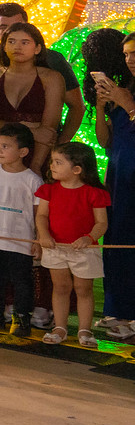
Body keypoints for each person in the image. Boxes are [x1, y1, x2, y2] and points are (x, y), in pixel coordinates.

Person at [84, 28, 135, 340]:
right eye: (127, 54)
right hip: (118, 175)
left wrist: (127, 104)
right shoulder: (123, 87)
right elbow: (105, 143)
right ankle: (117, 310)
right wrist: (103, 105)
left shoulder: (126, 93)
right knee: (115, 242)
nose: (130, 60)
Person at [35, 142, 111, 347]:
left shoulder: (95, 193)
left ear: (77, 169)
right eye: (52, 161)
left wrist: (89, 237)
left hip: (85, 250)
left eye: (58, 162)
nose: (52, 166)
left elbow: (102, 223)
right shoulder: (48, 190)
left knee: (83, 288)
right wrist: (43, 235)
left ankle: (84, 330)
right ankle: (60, 327)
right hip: (55, 247)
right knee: (60, 287)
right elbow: (41, 216)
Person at [0, 124, 41, 338]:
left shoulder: (32, 180)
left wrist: (38, 239)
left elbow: (39, 212)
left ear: (23, 152)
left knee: (21, 280)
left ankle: (21, 317)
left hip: (20, 241)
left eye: (5, 146)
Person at [0, 2, 83, 145]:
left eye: (18, 25)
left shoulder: (53, 60)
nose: (12, 30)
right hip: (1, 148)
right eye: (4, 27)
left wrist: (62, 142)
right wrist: (28, 131)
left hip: (43, 146)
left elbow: (77, 105)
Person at [0, 21, 64, 175]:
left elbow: (48, 132)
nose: (17, 47)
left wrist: (36, 165)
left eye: (25, 42)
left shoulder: (51, 78)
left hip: (37, 152)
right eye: (11, 41)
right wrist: (30, 130)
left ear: (38, 48)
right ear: (4, 47)